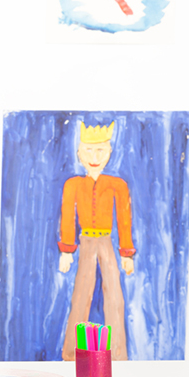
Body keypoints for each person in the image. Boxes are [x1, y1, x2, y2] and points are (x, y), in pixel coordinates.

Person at [59, 121, 134, 361]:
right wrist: (67, 251)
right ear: (79, 152)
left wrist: (126, 253)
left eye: (100, 150)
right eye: (89, 150)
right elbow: (67, 218)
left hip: (107, 242)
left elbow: (124, 218)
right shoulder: (73, 185)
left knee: (114, 295)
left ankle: (118, 355)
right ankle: (71, 354)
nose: (94, 156)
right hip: (85, 243)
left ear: (109, 153)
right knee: (81, 294)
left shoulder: (117, 185)